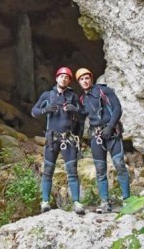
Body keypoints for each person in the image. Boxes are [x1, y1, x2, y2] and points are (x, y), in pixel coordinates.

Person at [75, 68, 130, 213]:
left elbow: (117, 108)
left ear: (91, 79)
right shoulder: (82, 100)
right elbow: (81, 123)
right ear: (79, 82)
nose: (85, 81)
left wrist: (111, 126)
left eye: (87, 78)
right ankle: (105, 202)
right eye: (81, 79)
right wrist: (78, 141)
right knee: (100, 170)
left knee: (120, 165)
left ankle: (128, 201)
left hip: (112, 134)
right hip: (96, 137)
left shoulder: (104, 91)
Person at [32, 67, 85, 215]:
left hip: (68, 139)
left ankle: (76, 202)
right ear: (56, 78)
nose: (63, 79)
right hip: (52, 139)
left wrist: (74, 109)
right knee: (48, 171)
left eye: (66, 77)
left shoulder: (73, 96)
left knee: (72, 172)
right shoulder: (47, 95)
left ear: (69, 81)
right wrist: (45, 110)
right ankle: (45, 202)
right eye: (61, 76)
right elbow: (34, 111)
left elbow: (83, 113)